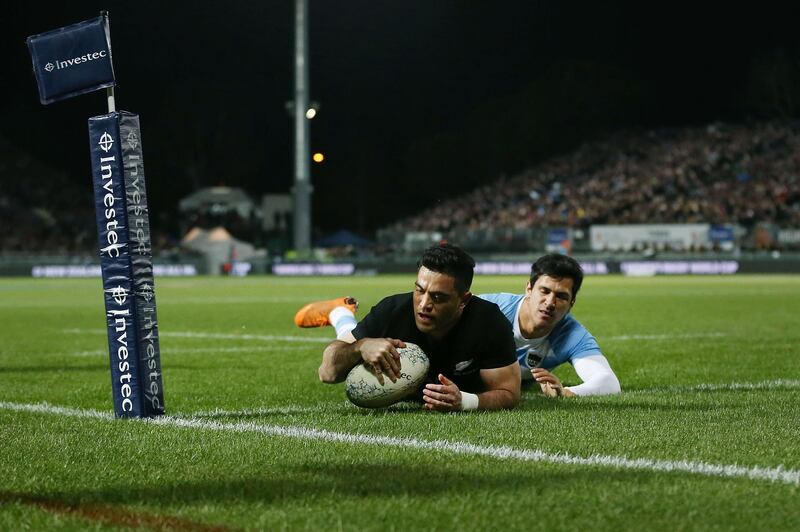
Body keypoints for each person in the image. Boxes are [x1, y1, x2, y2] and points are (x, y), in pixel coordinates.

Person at [296, 253, 620, 398]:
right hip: (450, 362)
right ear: (529, 289)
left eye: (561, 296)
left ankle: (341, 314)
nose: (550, 302)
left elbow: (607, 381)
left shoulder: (572, 335)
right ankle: (341, 314)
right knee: (356, 343)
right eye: (544, 291)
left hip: (487, 375)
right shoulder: (492, 311)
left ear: (571, 303)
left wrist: (568, 393)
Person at [311, 243, 520, 412]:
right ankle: (340, 313)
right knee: (351, 339)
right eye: (420, 291)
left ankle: (340, 314)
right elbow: (327, 373)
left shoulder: (488, 322)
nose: (424, 305)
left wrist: (466, 401)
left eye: (438, 297)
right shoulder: (391, 311)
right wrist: (360, 347)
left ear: (463, 300)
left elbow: (509, 392)